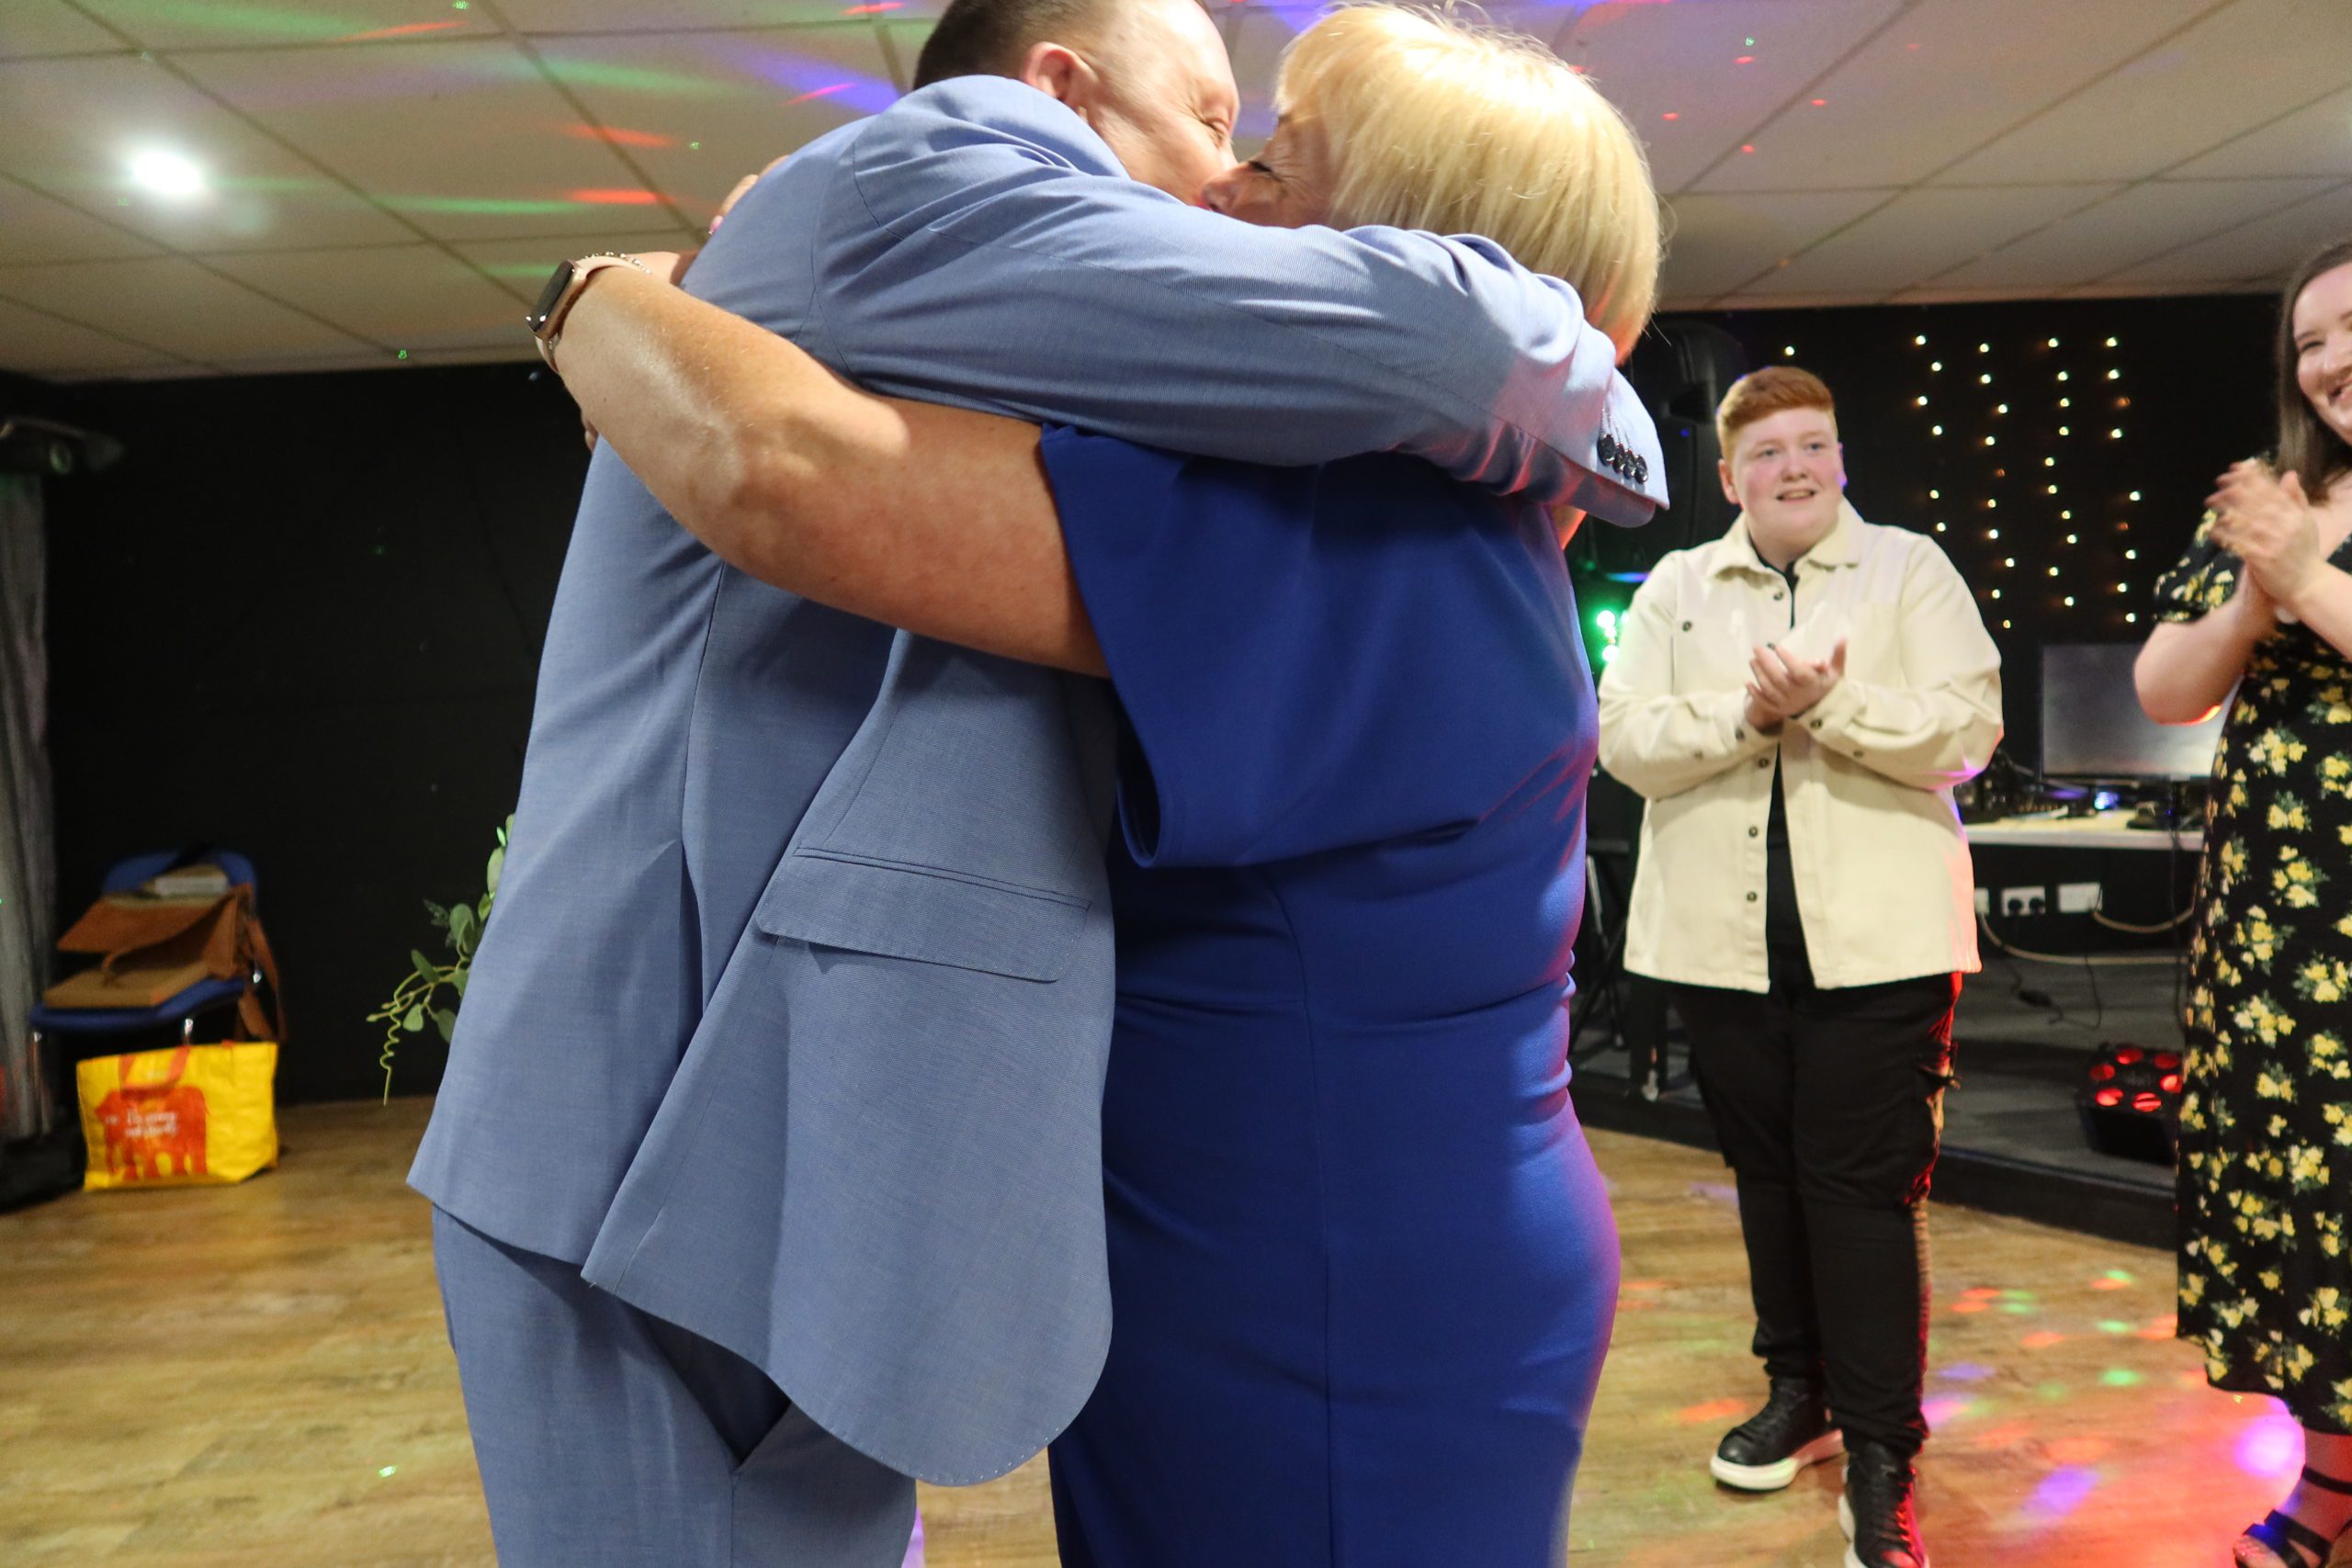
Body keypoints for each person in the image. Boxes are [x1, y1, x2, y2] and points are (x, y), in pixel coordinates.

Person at [409, 0, 1665, 1561]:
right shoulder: (1410, 533)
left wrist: (602, 295)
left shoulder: (1354, 551)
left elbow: (785, 470)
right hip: (1321, 1240)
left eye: (1273, 156)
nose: (1220, 197)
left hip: (1315, 1285)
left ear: (1398, 248)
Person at [1594, 367, 2002, 1568]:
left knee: (1861, 1195)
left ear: (1840, 458)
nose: (1794, 467)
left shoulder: (1909, 569)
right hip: (1718, 952)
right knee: (1765, 1181)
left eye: (1813, 444)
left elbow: (1967, 729)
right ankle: (1802, 1394)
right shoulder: (1676, 587)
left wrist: (1828, 705)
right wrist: (1750, 716)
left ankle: (1882, 1454)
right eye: (1767, 452)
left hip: (1882, 951)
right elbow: (1627, 742)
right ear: (1729, 478)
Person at [2135, 238, 2352, 1568]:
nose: (2328, 362)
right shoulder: (2278, 498)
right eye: (2311, 340)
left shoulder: (2297, 533)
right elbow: (2167, 687)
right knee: (2307, 1209)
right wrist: (2254, 592)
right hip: (2282, 941)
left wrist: (2310, 579)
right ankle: (2330, 1489)